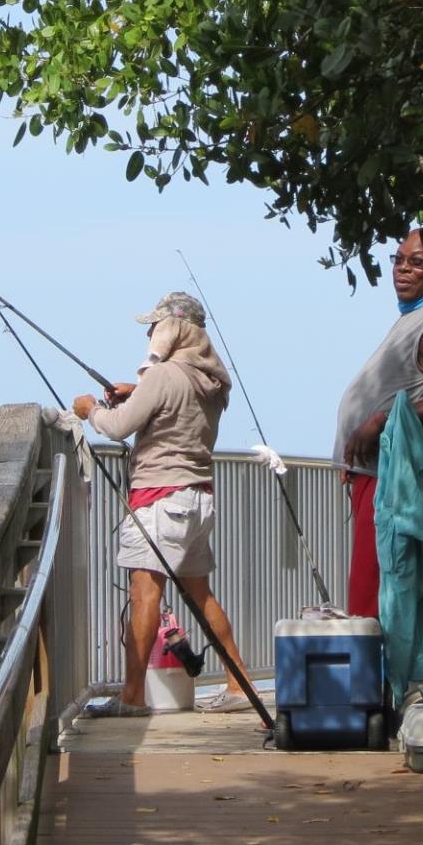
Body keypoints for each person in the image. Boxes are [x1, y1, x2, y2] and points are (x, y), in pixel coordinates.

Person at [73, 291, 255, 715]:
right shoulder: (211, 381)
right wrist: (137, 391)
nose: (150, 334)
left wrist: (90, 409)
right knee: (201, 596)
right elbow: (174, 402)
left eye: (155, 326)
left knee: (144, 597)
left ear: (172, 330)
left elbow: (116, 427)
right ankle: (240, 684)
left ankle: (132, 698)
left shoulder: (163, 376)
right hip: (197, 498)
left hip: (159, 501)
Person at [334, 230, 423, 619]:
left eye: (417, 262)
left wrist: (383, 420)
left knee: (375, 593)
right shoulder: (415, 316)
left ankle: (378, 661)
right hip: (372, 471)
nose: (403, 270)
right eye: (398, 260)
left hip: (393, 478)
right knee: (367, 588)